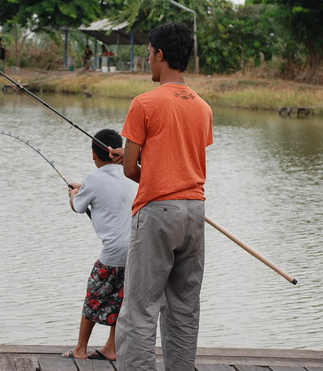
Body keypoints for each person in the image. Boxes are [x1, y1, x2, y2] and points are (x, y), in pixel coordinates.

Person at [111, 22, 213, 371]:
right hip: (194, 213)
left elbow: (130, 170)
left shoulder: (144, 103)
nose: (148, 60)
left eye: (149, 53)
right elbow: (180, 154)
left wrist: (140, 167)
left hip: (157, 213)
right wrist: (139, 160)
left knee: (140, 309)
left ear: (161, 54)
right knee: (184, 308)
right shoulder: (203, 107)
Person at [64, 129, 136, 361]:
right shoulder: (131, 173)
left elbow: (78, 207)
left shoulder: (93, 178)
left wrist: (75, 194)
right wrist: (83, 189)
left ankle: (80, 350)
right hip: (136, 250)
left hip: (113, 252)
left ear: (95, 154)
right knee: (120, 298)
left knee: (93, 295)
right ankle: (111, 349)